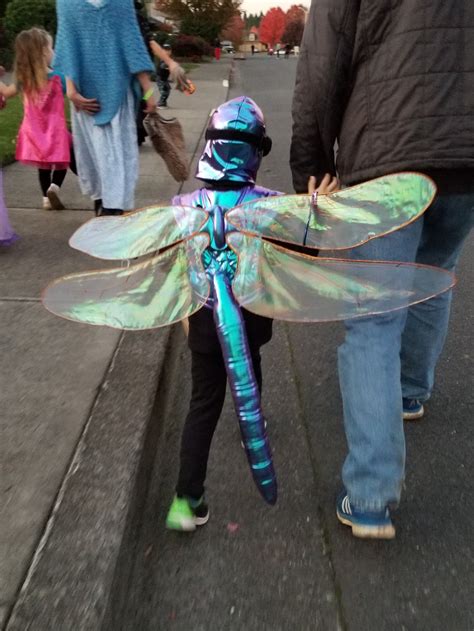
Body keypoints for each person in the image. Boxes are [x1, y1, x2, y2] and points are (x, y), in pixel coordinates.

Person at [290, 0, 474, 539]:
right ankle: (410, 390)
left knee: (373, 316)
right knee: (435, 271)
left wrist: (312, 164)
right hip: (466, 153)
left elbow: (322, 63)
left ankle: (371, 493)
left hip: (388, 152)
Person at [54, 0, 157, 216]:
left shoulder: (121, 3)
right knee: (93, 155)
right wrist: (71, 92)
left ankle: (112, 211)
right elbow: (67, 46)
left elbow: (133, 45)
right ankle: (104, 210)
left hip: (118, 92)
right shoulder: (66, 3)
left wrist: (148, 93)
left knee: (116, 154)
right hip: (84, 96)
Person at [0, 29, 74, 210]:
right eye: (51, 48)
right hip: (56, 130)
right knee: (63, 161)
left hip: (34, 131)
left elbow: (7, 92)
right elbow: (72, 93)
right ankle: (54, 187)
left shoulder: (24, 78)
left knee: (44, 166)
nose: (54, 52)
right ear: (44, 51)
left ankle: (45, 199)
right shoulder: (59, 77)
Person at [156, 44, 172, 109]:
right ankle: (160, 104)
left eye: (169, 50)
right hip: (160, 79)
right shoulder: (163, 59)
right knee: (164, 91)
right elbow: (163, 66)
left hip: (164, 79)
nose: (167, 52)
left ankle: (164, 102)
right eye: (165, 50)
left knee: (168, 89)